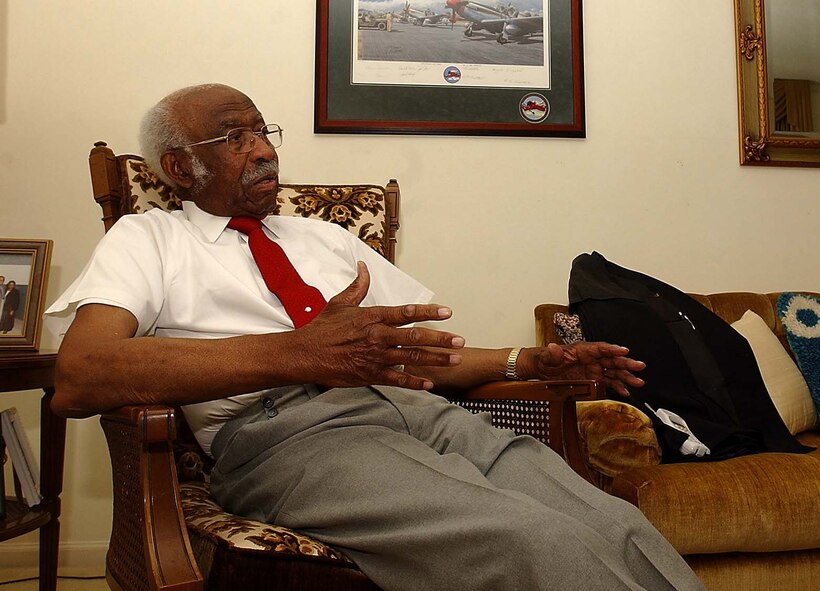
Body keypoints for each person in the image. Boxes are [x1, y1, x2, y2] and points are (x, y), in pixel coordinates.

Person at [46, 84, 706, 591]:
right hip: (290, 439)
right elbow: (82, 374)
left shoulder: (323, 236)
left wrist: (526, 358)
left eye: (262, 130)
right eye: (233, 136)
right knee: (529, 538)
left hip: (418, 412)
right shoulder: (149, 240)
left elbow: (418, 355)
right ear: (180, 167)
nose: (265, 148)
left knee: (617, 523)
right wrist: (297, 353)